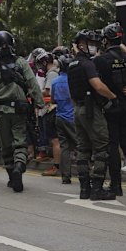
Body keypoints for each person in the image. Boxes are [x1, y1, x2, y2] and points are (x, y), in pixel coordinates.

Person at [0, 31, 45, 192]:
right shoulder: (21, 63)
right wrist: (40, 104)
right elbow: (33, 84)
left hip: (1, 112)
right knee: (20, 142)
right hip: (19, 110)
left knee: (5, 145)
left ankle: (12, 176)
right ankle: (19, 166)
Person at [95, 22, 126, 195]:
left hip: (110, 105)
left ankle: (116, 185)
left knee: (112, 145)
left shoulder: (101, 60)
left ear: (106, 40)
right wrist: (121, 43)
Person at [67, 29, 117, 200]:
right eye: (91, 43)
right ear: (81, 45)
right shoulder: (87, 64)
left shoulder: (72, 65)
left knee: (83, 149)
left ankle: (84, 188)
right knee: (102, 148)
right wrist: (112, 96)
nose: (94, 47)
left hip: (78, 109)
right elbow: (98, 85)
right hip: (91, 109)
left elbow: (72, 93)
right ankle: (97, 188)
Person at [51, 54, 78, 184]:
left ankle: (65, 177)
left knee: (64, 147)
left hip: (59, 116)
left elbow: (53, 99)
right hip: (72, 117)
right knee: (80, 145)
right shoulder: (73, 81)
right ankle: (87, 173)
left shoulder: (55, 81)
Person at [36, 51, 61, 177]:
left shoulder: (51, 74)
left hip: (52, 109)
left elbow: (48, 92)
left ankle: (56, 166)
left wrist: (35, 93)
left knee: (55, 140)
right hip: (58, 109)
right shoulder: (57, 72)